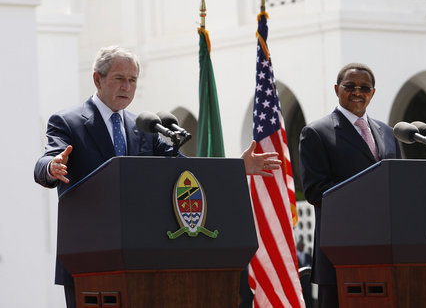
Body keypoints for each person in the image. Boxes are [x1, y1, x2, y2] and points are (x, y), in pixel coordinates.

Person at [34, 46, 281, 308]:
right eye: (119, 79)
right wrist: (52, 166)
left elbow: (185, 170)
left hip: (144, 257)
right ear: (97, 79)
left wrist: (235, 167)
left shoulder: (144, 127)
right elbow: (45, 160)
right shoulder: (67, 121)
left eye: (132, 80)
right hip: (90, 258)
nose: (127, 87)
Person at [299, 62, 401, 307]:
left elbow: (397, 184)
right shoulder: (316, 132)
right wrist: (367, 196)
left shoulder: (388, 133)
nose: (358, 92)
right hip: (340, 252)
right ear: (337, 89)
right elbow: (315, 191)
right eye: (350, 86)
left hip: (385, 251)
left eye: (365, 87)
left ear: (373, 93)